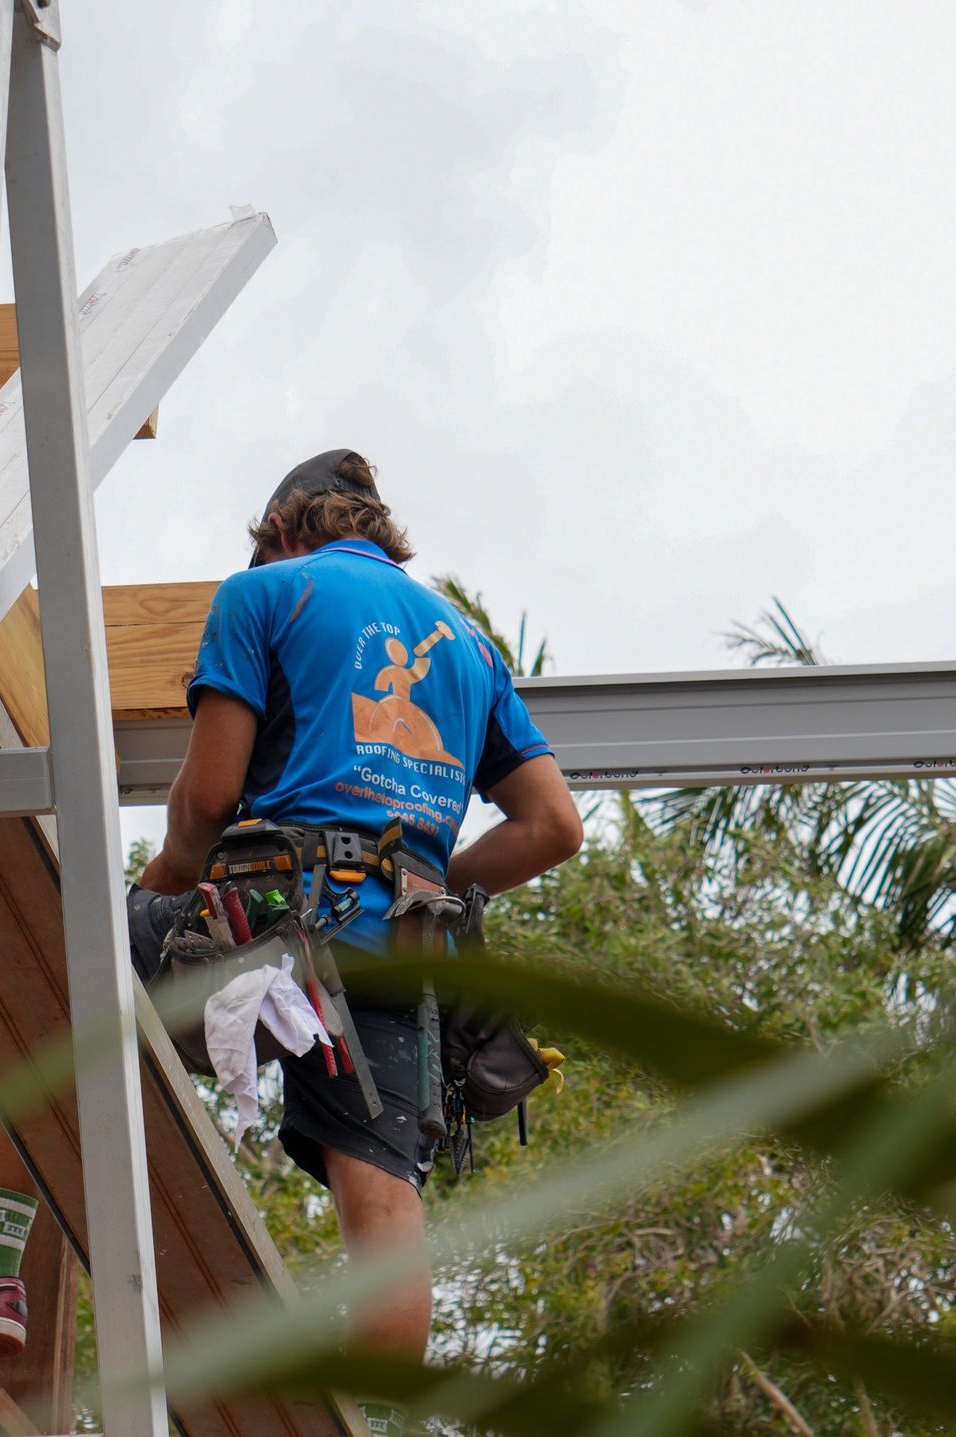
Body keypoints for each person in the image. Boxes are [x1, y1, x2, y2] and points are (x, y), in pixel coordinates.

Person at [133, 449, 583, 1430]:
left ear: (285, 523)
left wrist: (162, 882)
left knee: (53, 960)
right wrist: (432, 884)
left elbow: (208, 800)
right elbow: (553, 826)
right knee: (384, 1214)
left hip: (268, 925)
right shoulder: (467, 644)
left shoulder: (268, 596)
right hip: (397, 954)